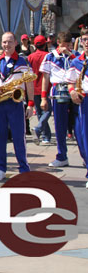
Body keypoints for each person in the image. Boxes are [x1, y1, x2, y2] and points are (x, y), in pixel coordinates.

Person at [0, 32, 34, 181]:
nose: (7, 45)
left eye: (10, 42)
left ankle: (23, 169)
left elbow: (29, 84)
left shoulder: (23, 61)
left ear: (15, 43)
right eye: (4, 42)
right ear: (1, 43)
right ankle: (0, 169)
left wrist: (31, 104)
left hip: (16, 103)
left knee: (19, 137)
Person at [39, 31, 78, 167]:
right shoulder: (50, 57)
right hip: (58, 91)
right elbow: (45, 78)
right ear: (59, 44)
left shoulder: (76, 56)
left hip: (75, 91)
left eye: (70, 45)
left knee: (79, 126)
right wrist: (44, 97)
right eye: (65, 45)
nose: (67, 47)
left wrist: (71, 55)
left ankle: (85, 157)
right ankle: (62, 156)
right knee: (60, 125)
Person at [65, 27, 88, 188]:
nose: (87, 43)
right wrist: (72, 92)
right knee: (82, 139)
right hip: (83, 102)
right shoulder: (77, 61)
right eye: (85, 40)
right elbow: (70, 82)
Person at [27, 35, 52, 144]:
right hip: (46, 87)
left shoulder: (30, 57)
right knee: (47, 111)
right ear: (45, 44)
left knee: (40, 112)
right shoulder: (48, 56)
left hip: (34, 87)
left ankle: (45, 135)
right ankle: (40, 130)